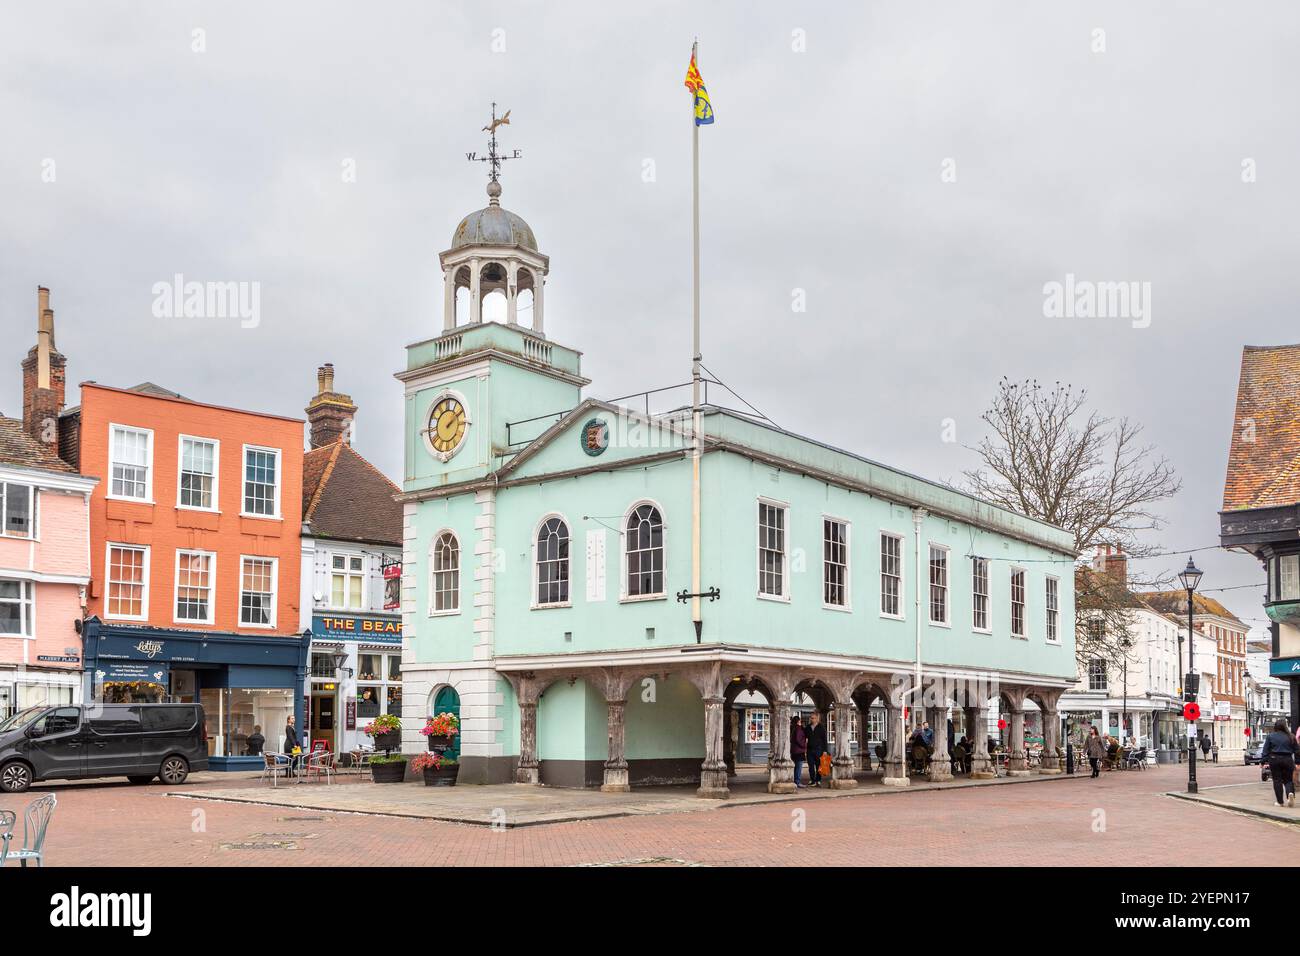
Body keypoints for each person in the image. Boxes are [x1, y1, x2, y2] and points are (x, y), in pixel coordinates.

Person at [1261, 718, 1297, 807]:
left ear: (1275, 726)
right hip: (1288, 759)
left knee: (1277, 780)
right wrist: (1298, 762)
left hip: (1274, 759)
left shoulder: (1271, 736)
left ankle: (1280, 802)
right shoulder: (1291, 736)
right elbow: (1297, 750)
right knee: (1288, 780)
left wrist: (1263, 761)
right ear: (1285, 726)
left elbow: (1265, 750)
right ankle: (1290, 794)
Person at [806, 711, 828, 788]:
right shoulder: (808, 727)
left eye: (813, 718)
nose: (812, 719)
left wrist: (825, 751)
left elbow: (824, 740)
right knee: (811, 766)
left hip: (819, 749)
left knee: (819, 766)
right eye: (811, 718)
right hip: (809, 749)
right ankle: (812, 780)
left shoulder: (821, 727)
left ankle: (818, 780)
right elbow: (805, 736)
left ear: (817, 718)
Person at [790, 714, 808, 788]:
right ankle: (797, 782)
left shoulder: (793, 728)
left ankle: (795, 781)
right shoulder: (798, 728)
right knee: (798, 767)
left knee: (795, 767)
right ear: (798, 721)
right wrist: (804, 745)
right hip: (799, 751)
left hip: (794, 750)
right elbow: (799, 739)